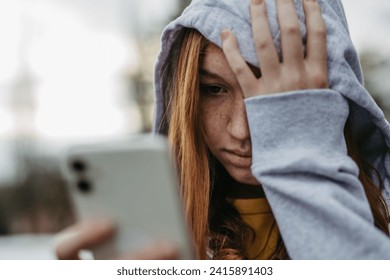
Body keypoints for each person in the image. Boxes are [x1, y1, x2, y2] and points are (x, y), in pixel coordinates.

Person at [56, 0, 390, 259]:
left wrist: (298, 155)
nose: (242, 131)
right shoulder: (161, 237)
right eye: (213, 89)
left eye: (276, 98)